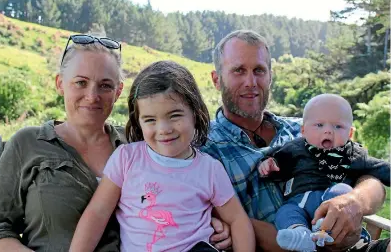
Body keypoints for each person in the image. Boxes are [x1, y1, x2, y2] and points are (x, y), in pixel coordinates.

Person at [0, 35, 229, 252]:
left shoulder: (139, 144)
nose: (92, 96)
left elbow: (188, 186)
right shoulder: (29, 143)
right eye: (81, 82)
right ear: (60, 84)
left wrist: (218, 225)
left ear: (118, 91)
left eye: (105, 85)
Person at [200, 29, 387, 252]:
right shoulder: (204, 149)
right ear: (216, 80)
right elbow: (228, 223)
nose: (250, 81)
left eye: (259, 70)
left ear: (270, 76)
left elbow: (369, 175)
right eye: (238, 70)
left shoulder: (307, 128)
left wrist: (356, 201)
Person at [69, 60, 255, 252]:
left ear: (195, 113)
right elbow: (98, 212)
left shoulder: (210, 169)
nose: (164, 129)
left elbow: (237, 220)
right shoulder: (126, 158)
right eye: (150, 120)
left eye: (175, 115)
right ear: (138, 122)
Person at [257, 93, 390, 251]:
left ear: (350, 133)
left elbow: (379, 168)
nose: (328, 131)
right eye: (319, 125)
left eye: (337, 126)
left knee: (341, 190)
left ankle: (325, 226)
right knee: (285, 212)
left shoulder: (353, 154)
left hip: (337, 208)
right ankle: (300, 234)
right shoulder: (294, 148)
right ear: (304, 130)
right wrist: (269, 166)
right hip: (300, 202)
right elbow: (278, 164)